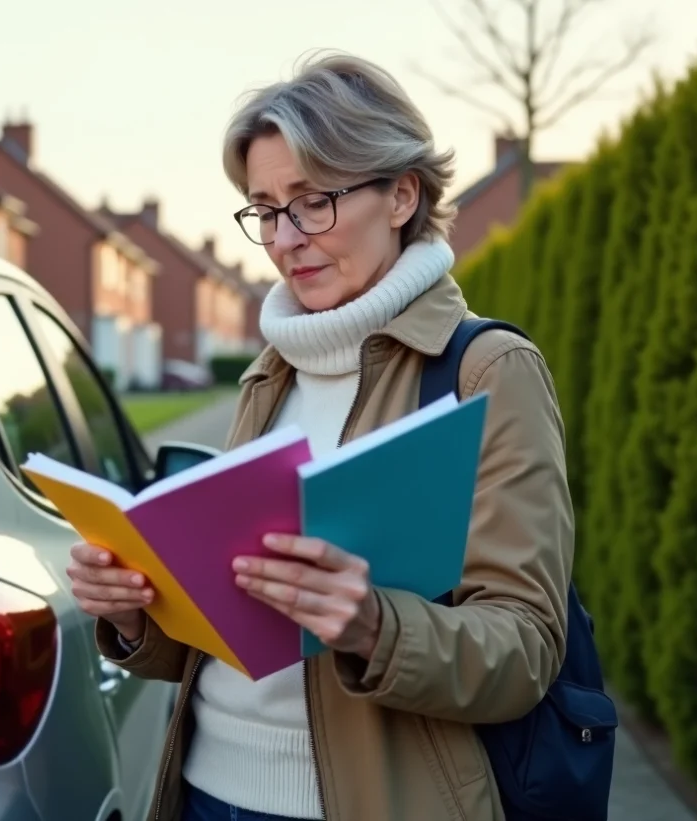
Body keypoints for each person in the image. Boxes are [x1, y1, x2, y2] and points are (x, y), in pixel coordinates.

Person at [66, 51, 573, 821]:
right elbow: (230, 637)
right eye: (265, 209)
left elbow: (526, 647)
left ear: (401, 194)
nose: (285, 238)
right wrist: (133, 611)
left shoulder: (487, 370)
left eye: (312, 202)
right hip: (203, 791)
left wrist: (374, 623)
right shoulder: (270, 373)